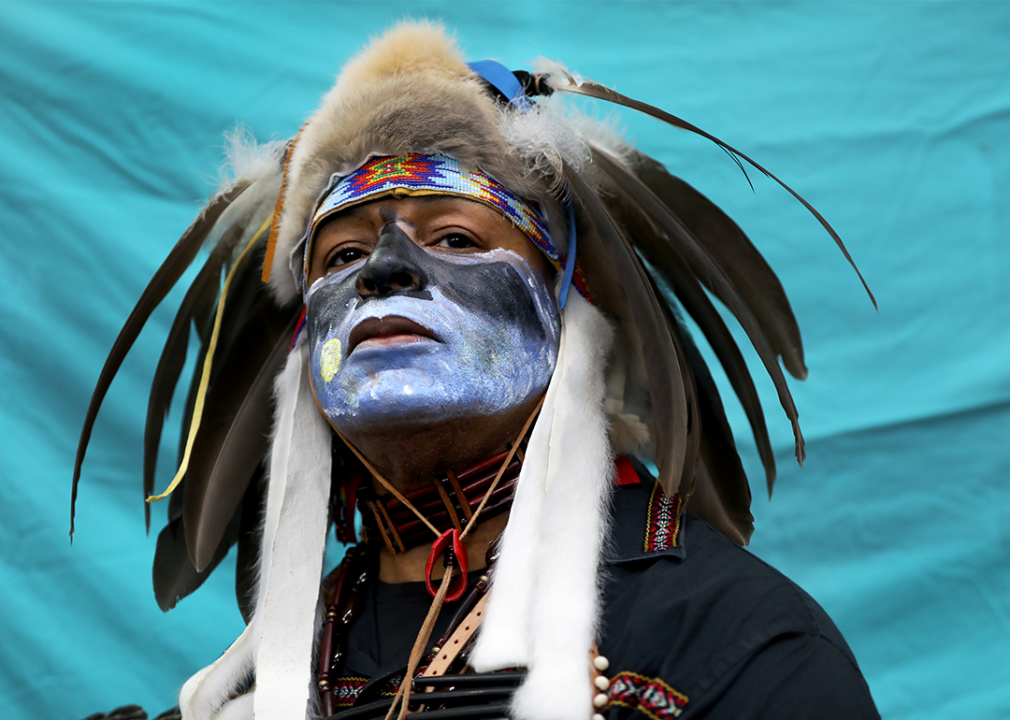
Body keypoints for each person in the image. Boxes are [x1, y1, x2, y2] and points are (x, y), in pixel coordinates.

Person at [73, 21, 879, 720]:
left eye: (456, 238)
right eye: (344, 255)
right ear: (302, 350)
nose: (384, 271)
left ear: (570, 306)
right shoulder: (266, 680)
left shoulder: (734, 640)